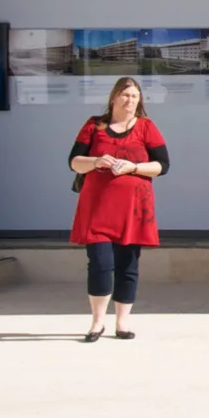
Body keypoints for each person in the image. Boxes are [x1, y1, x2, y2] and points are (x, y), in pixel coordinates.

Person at [68, 77, 167, 343]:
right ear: (114, 98)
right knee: (100, 264)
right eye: (125, 95)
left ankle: (122, 322)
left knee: (127, 265)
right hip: (97, 207)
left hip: (134, 209)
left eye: (135, 96)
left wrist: (133, 167)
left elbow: (162, 166)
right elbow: (74, 162)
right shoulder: (94, 125)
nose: (130, 100)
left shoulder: (146, 127)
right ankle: (97, 322)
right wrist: (96, 161)